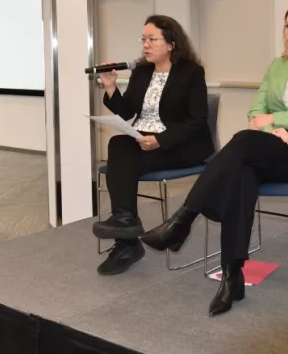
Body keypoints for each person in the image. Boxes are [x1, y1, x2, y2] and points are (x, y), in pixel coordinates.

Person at [140, 2, 288, 316]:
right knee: (243, 173)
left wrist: (276, 120)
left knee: (243, 141)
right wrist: (277, 129)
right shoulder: (277, 66)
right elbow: (254, 111)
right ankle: (232, 274)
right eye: (287, 25)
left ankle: (183, 218)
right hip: (271, 147)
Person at [91, 15, 214, 276]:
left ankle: (126, 244)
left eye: (152, 39)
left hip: (180, 144)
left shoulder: (191, 72)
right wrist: (111, 88)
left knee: (122, 165)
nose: (145, 45)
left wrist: (161, 140)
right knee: (118, 144)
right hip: (144, 139)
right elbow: (126, 113)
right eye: (143, 39)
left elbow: (196, 120)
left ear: (170, 43)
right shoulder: (143, 71)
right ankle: (126, 225)